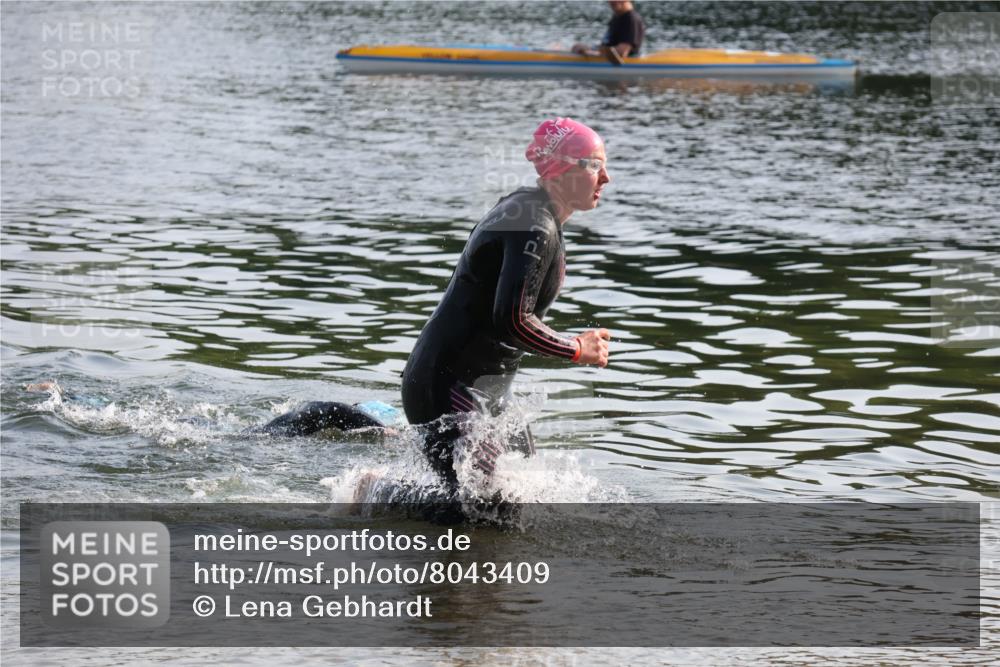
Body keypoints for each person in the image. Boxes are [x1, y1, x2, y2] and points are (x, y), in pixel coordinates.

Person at [401, 117, 612, 494]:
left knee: (522, 498)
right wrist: (575, 348)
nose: (606, 178)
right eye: (594, 165)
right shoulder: (533, 223)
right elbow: (512, 320)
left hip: (491, 391)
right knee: (483, 511)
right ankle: (370, 496)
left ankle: (381, 493)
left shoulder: (536, 214)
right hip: (449, 384)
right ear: (562, 169)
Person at [24, 380, 395, 437]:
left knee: (131, 419)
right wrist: (386, 432)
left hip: (222, 431)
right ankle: (64, 397)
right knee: (133, 421)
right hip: (243, 438)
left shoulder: (288, 427)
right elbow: (325, 408)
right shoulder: (295, 425)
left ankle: (65, 397)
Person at [571, 1, 646, 65]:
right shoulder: (617, 16)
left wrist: (590, 52)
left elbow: (622, 52)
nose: (612, 1)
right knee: (577, 46)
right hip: (605, 56)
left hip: (621, 63)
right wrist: (587, 49)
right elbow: (607, 44)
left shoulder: (631, 19)